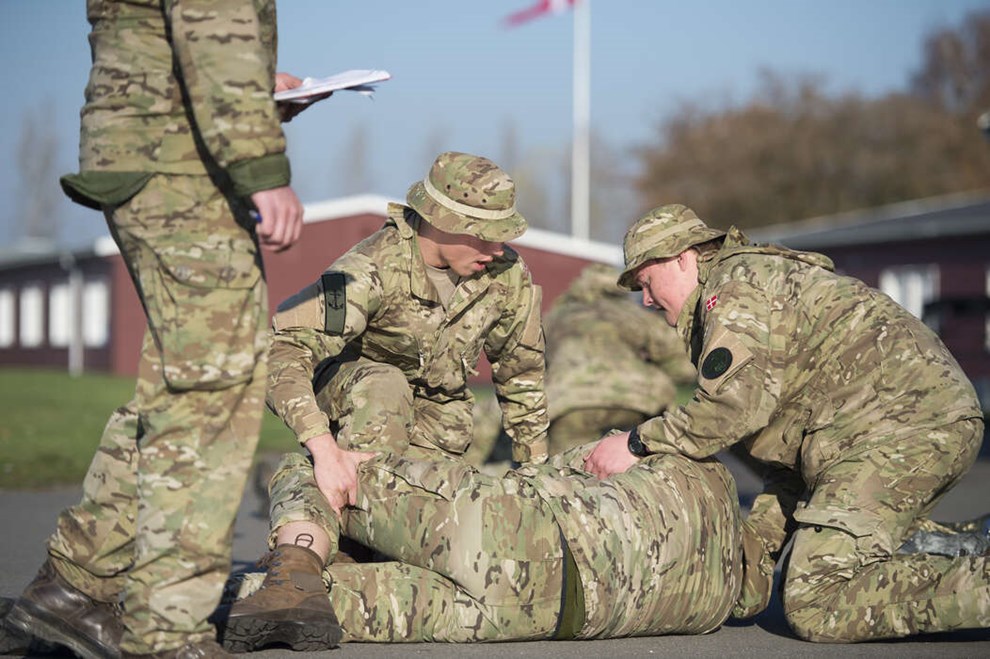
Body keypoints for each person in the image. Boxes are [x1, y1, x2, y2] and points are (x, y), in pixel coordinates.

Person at [6, 2, 306, 657]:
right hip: (180, 175)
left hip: (151, 158)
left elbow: (169, 44)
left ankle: (75, 588)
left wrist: (254, 88)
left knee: (178, 390)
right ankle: (167, 631)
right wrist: (262, 165)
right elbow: (214, 24)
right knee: (211, 405)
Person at [584, 203, 988, 642]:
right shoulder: (741, 290)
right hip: (884, 428)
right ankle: (975, 541)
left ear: (683, 257)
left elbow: (732, 409)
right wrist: (753, 559)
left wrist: (636, 443)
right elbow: (790, 453)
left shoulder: (735, 288)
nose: (644, 299)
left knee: (815, 601)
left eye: (646, 281)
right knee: (820, 559)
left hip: (903, 425)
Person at [234, 151, 549, 644]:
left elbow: (522, 376)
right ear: (442, 221)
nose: (496, 246)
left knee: (431, 524)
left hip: (439, 425)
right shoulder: (370, 268)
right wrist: (322, 448)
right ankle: (320, 555)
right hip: (358, 399)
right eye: (483, 233)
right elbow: (284, 352)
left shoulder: (505, 276)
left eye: (502, 232)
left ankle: (315, 566)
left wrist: (537, 475)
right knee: (385, 385)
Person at [220, 438, 742, 650]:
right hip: (534, 617)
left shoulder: (701, 467)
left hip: (525, 534)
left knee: (319, 466)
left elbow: (573, 466)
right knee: (341, 608)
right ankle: (213, 604)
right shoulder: (714, 609)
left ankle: (286, 569)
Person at [543, 263, 695, 455]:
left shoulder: (555, 317)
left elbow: (529, 363)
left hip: (570, 403)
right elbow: (682, 365)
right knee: (633, 470)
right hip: (638, 400)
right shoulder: (635, 316)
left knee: (565, 471)